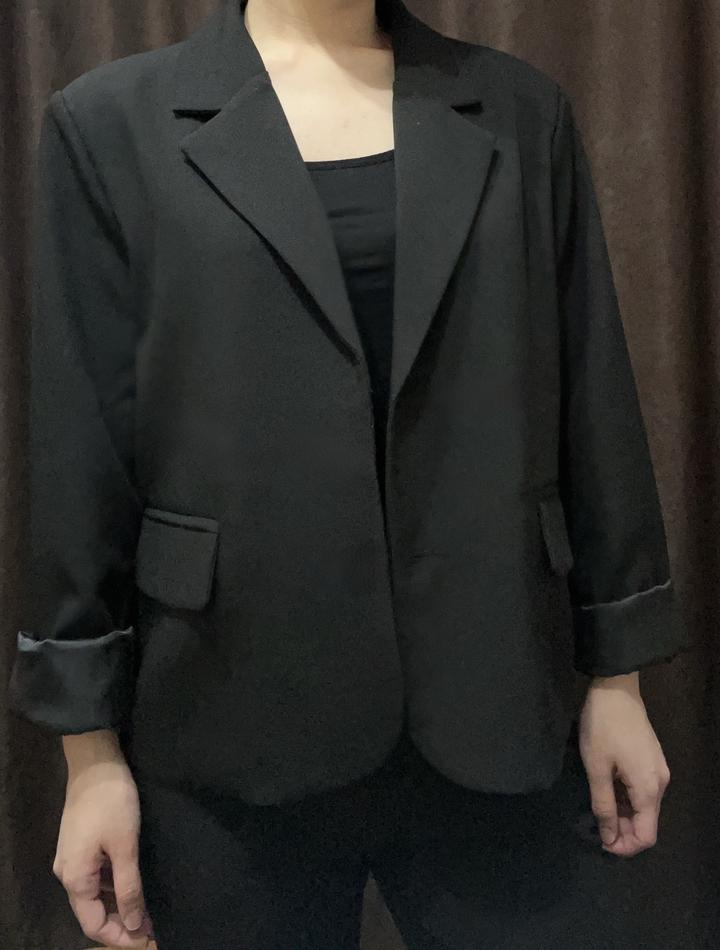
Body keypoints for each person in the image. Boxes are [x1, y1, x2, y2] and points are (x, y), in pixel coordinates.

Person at [8, 0, 691, 947]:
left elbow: (592, 393)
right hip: (229, 715)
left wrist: (618, 678)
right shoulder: (109, 125)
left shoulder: (520, 112)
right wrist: (89, 757)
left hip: (493, 699)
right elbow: (80, 449)